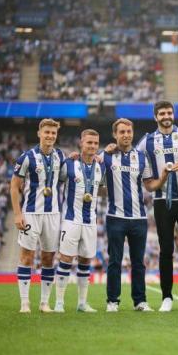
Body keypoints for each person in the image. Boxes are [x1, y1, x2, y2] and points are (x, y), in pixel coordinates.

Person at [136, 101, 178, 312]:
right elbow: (146, 182)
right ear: (156, 117)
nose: (166, 116)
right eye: (162, 113)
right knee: (166, 250)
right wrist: (162, 177)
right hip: (162, 201)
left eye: (169, 112)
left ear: (173, 115)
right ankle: (167, 297)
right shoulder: (146, 142)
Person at [11, 118, 65, 313]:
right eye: (47, 132)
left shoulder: (60, 155)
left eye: (53, 133)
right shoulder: (27, 157)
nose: (50, 136)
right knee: (26, 257)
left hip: (53, 214)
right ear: (39, 133)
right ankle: (25, 302)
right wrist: (18, 214)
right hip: (31, 213)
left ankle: (44, 303)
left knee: (48, 258)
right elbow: (14, 186)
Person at [103, 119, 154, 312]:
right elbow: (90, 165)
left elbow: (149, 184)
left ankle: (140, 301)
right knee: (115, 261)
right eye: (122, 132)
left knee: (138, 262)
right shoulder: (106, 157)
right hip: (115, 217)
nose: (126, 134)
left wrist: (165, 175)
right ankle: (112, 301)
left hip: (139, 218)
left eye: (129, 131)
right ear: (115, 135)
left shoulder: (141, 158)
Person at [54, 129, 106, 313]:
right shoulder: (69, 164)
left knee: (85, 261)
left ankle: (82, 303)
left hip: (90, 221)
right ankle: (59, 302)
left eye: (95, 143)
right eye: (88, 142)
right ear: (81, 143)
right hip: (70, 219)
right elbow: (54, 183)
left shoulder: (101, 166)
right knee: (66, 259)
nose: (92, 146)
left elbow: (103, 188)